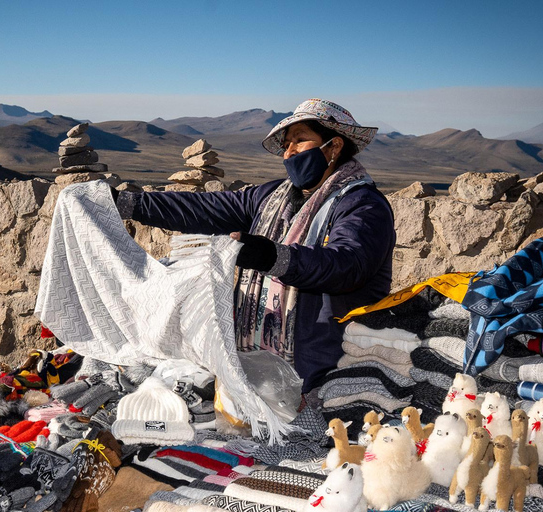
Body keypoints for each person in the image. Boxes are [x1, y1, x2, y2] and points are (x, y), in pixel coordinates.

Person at [115, 99, 395, 396]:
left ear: (334, 147)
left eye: (300, 140)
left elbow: (346, 265)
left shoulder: (363, 205)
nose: (289, 152)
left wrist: (272, 257)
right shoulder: (272, 197)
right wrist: (124, 202)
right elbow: (203, 207)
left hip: (327, 367)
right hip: (266, 370)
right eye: (287, 144)